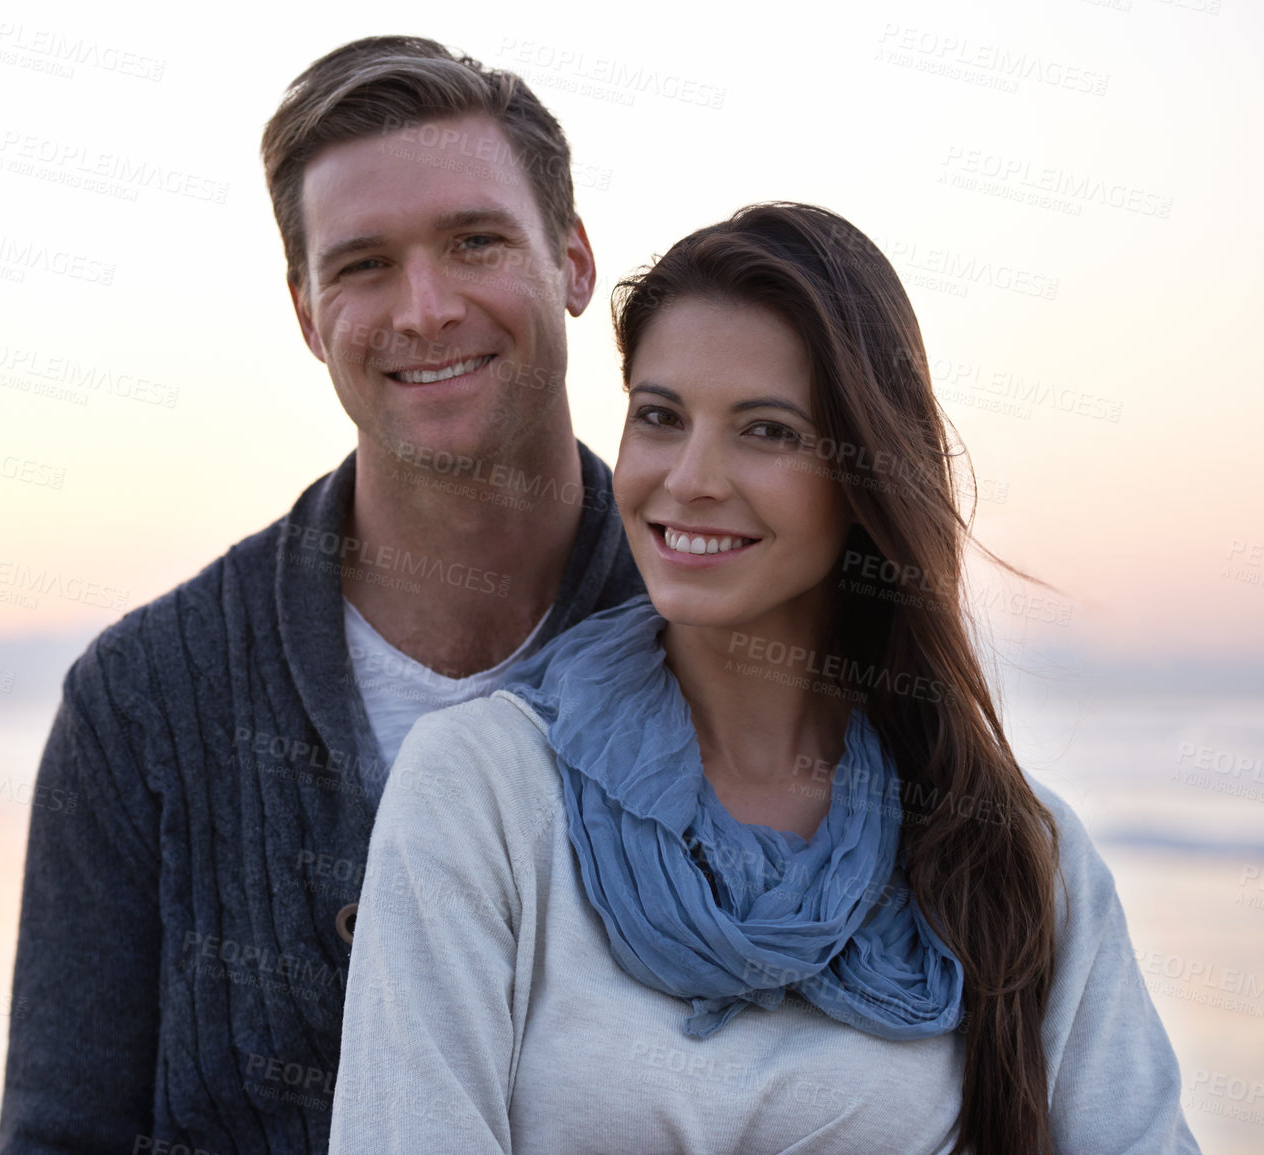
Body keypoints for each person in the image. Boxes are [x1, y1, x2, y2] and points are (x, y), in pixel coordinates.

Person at [329, 203, 1200, 1154]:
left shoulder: (1017, 854)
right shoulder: (479, 792)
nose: (690, 477)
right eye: (660, 417)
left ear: (865, 478)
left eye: (767, 432)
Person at [0, 36, 645, 1153]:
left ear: (574, 263)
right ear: (306, 313)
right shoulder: (140, 706)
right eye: (363, 265)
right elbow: (61, 1134)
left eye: (475, 241)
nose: (425, 308)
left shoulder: (739, 638)